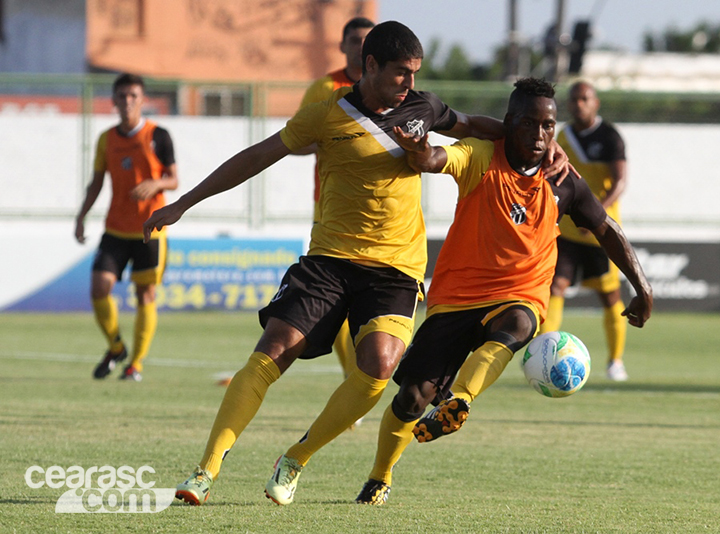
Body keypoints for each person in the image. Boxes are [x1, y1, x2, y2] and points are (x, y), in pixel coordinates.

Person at [145, 21, 569, 507]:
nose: (410, 82)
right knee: (273, 351)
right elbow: (258, 156)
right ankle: (205, 470)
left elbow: (476, 125)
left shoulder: (424, 107)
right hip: (329, 260)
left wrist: (547, 145)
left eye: (415, 72)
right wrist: (185, 202)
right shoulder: (325, 114)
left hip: (396, 269)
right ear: (370, 65)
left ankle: (295, 459)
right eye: (400, 72)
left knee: (379, 368)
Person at [354, 77, 652, 505]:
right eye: (529, 124)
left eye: (547, 126)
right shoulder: (481, 155)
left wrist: (642, 286)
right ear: (509, 122)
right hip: (458, 297)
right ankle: (379, 476)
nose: (539, 135)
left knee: (518, 323)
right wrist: (419, 152)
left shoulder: (563, 180)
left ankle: (460, 400)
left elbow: (606, 229)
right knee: (411, 398)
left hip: (521, 293)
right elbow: (439, 158)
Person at [75, 72, 178, 382]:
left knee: (145, 295)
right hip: (116, 228)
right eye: (122, 96)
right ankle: (116, 347)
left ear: (142, 100)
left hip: (151, 229)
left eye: (133, 96)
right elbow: (96, 182)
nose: (128, 101)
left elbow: (174, 179)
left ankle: (136, 364)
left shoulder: (158, 135)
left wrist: (155, 183)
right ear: (114, 101)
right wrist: (81, 215)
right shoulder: (106, 139)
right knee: (99, 288)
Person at [299, 16, 374, 384]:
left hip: (378, 213)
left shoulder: (390, 88)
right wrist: (333, 140)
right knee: (339, 296)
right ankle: (352, 378)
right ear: (343, 46)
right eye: (355, 40)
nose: (361, 47)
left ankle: (364, 374)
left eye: (367, 40)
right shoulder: (325, 88)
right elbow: (295, 139)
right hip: (331, 207)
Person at [540, 80, 631, 381]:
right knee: (555, 287)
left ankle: (615, 361)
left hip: (598, 232)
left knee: (609, 296)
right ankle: (545, 353)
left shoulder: (609, 137)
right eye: (574, 99)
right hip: (566, 230)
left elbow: (620, 182)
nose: (578, 104)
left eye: (584, 99)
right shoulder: (563, 136)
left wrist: (596, 213)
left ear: (595, 103)